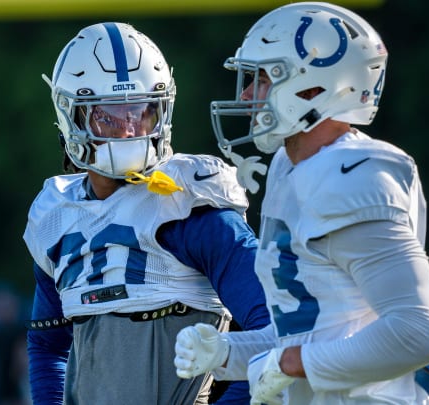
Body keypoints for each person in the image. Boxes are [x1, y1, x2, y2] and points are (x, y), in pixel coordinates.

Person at [174, 2, 429, 404]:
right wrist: (227, 352)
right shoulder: (289, 167)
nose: (247, 95)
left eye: (263, 79)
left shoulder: (356, 176)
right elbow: (305, 328)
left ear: (314, 89)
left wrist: (289, 364)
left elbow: (418, 332)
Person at [22, 22, 269, 404]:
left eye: (141, 113)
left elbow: (274, 329)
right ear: (72, 115)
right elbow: (49, 345)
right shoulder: (55, 214)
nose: (128, 130)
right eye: (109, 116)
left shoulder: (190, 203)